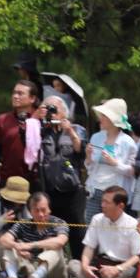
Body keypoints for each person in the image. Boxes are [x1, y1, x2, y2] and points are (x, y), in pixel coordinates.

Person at [35, 96, 86, 257]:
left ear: (64, 112)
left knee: (77, 231)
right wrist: (39, 117)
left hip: (72, 191)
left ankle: (79, 266)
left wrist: (69, 131)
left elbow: (80, 151)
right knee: (52, 231)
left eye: (54, 109)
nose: (51, 113)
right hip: (51, 190)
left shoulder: (76, 129)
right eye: (47, 108)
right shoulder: (42, 131)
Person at [68, 186, 140, 278]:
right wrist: (85, 266)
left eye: (107, 202)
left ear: (120, 206)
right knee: (73, 264)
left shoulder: (132, 224)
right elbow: (89, 247)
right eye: (102, 201)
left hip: (121, 266)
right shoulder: (97, 219)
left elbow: (137, 257)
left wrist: (117, 269)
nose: (102, 205)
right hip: (100, 265)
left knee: (131, 270)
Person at [0, 192, 69, 278]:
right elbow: (3, 240)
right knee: (9, 247)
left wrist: (29, 246)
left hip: (53, 275)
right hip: (28, 268)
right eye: (36, 211)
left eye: (44, 210)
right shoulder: (23, 224)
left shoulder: (59, 223)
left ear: (49, 209)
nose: (40, 214)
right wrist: (17, 246)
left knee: (56, 249)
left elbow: (60, 241)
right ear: (30, 212)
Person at [84, 99, 136, 223]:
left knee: (112, 229)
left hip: (114, 195)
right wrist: (88, 157)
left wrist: (115, 163)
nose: (100, 118)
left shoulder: (128, 142)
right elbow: (89, 167)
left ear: (113, 119)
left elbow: (132, 171)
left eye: (104, 115)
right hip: (94, 190)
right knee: (91, 226)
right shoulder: (96, 137)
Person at [0, 80, 41, 190]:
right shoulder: (3, 119)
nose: (15, 96)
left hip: (33, 181)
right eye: (14, 93)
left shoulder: (40, 120)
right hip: (8, 180)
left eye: (20, 93)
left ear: (32, 98)